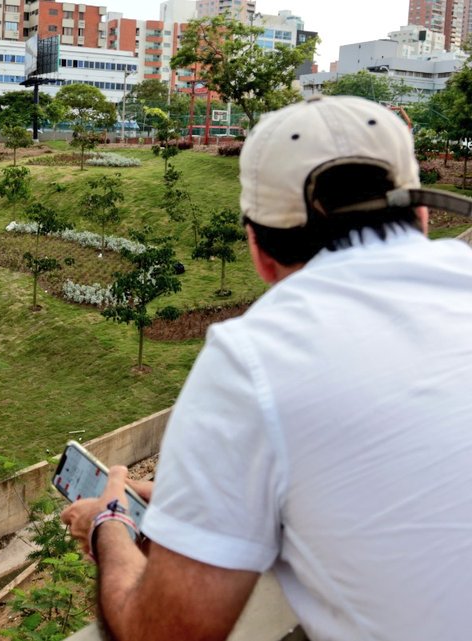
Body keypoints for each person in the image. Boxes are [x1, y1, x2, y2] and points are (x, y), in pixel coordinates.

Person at [61, 95, 472, 641]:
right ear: (421, 214)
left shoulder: (256, 358)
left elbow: (161, 633)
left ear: (259, 252)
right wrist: (191, 498)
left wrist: (109, 524)